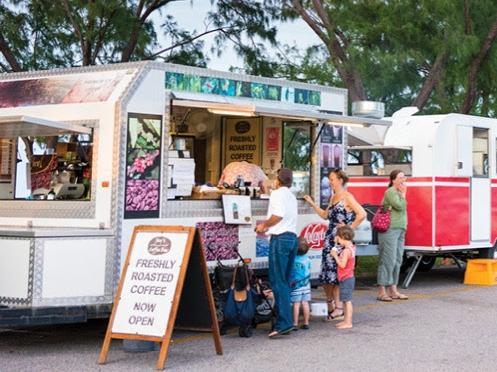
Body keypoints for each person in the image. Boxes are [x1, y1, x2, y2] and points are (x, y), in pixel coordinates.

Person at [303, 169, 366, 321]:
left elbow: (362, 214)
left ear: (340, 180)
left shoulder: (347, 197)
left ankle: (339, 308)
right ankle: (331, 304)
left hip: (340, 240)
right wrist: (312, 203)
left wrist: (349, 229)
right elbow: (325, 215)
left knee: (336, 273)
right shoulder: (333, 197)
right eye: (329, 179)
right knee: (326, 274)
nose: (330, 182)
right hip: (329, 239)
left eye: (332, 179)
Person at [255, 168, 298, 338]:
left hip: (279, 238)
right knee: (285, 282)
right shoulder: (291, 196)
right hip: (292, 238)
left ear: (278, 180)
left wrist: (264, 225)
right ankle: (285, 321)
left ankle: (283, 323)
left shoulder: (277, 194)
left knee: (278, 282)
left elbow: (278, 215)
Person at [376, 169, 409, 302]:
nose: (403, 180)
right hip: (390, 229)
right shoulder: (390, 192)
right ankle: (382, 291)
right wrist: (404, 193)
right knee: (387, 260)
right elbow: (399, 206)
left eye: (404, 177)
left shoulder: (399, 193)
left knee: (397, 260)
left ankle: (393, 290)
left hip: (400, 229)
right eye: (400, 178)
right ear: (393, 180)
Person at [330, 225, 356, 329]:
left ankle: (348, 322)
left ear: (343, 237)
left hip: (346, 277)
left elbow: (342, 265)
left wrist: (335, 255)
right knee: (345, 300)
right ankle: (346, 320)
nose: (338, 241)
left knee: (347, 301)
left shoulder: (346, 251)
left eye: (339, 238)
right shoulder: (351, 247)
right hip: (347, 277)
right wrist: (337, 242)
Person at [290, 237, 311, 331]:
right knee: (305, 303)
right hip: (306, 285)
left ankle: (295, 323)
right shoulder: (308, 259)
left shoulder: (293, 260)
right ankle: (306, 322)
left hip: (296, 286)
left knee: (296, 304)